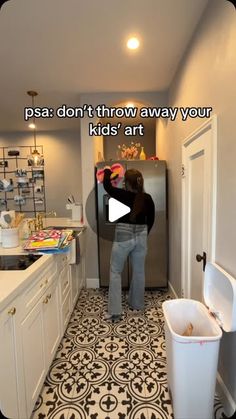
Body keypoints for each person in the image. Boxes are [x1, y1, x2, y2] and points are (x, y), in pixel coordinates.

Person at [103, 167, 155, 321]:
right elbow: (151, 220)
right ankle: (137, 304)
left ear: (126, 183)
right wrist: (143, 234)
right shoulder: (148, 198)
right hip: (141, 235)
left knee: (115, 271)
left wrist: (107, 172)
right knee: (139, 271)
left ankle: (115, 312)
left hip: (123, 234)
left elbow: (107, 186)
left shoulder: (122, 194)